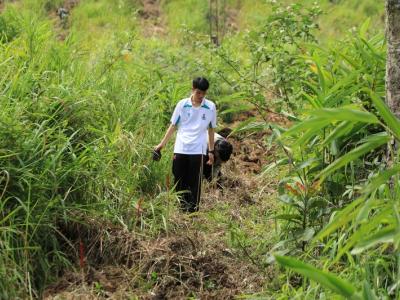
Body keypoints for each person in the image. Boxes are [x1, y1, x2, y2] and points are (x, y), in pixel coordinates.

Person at [155, 77, 217, 212]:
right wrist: (161, 145)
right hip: (181, 147)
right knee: (178, 178)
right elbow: (173, 126)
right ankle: (181, 209)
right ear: (193, 89)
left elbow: (211, 130)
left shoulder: (210, 107)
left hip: (198, 149)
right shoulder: (182, 105)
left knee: (195, 181)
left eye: (204, 93)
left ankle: (193, 212)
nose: (201, 96)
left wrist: (211, 151)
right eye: (199, 92)